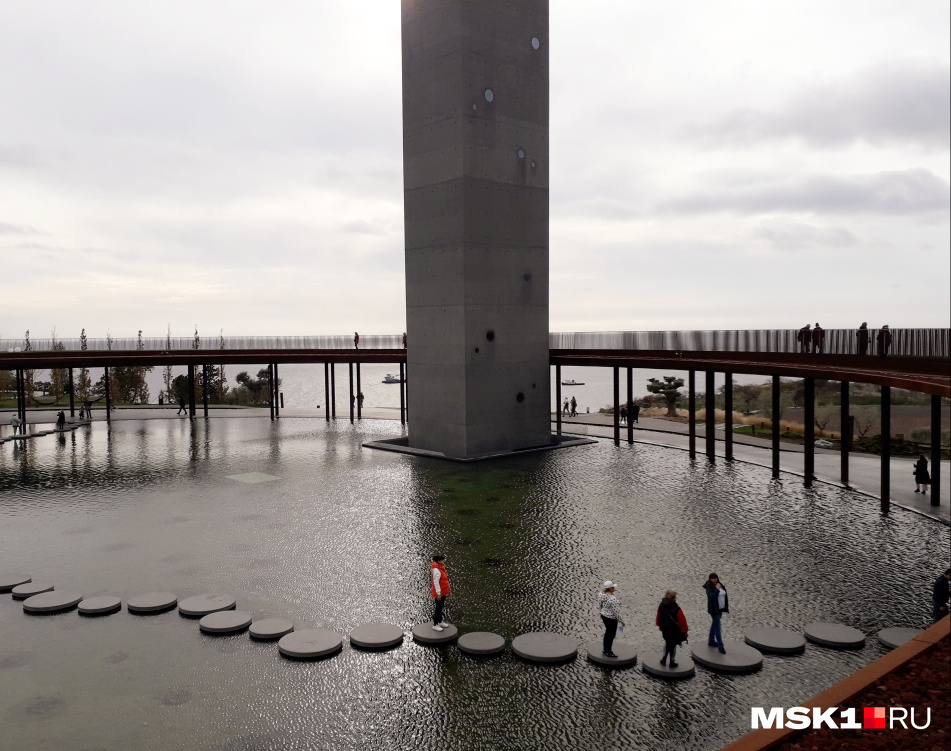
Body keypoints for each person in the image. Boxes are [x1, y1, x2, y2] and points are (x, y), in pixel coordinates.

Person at [656, 590, 688, 667]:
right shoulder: (676, 608)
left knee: (667, 642)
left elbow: (658, 617)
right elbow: (682, 621)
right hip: (674, 630)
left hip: (665, 629)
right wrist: (684, 631)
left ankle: (663, 659)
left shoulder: (661, 605)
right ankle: (671, 661)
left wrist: (659, 625)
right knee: (673, 645)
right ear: (673, 598)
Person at [598, 580, 625, 658]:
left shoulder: (601, 595)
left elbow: (599, 604)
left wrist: (600, 612)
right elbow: (616, 612)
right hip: (611, 619)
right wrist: (622, 622)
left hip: (604, 616)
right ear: (610, 589)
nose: (614, 589)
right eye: (613, 587)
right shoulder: (612, 599)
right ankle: (608, 651)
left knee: (607, 633)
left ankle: (605, 649)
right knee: (611, 635)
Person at [703, 573, 729, 653]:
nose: (714, 580)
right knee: (718, 627)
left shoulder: (720, 585)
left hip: (720, 609)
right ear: (710, 579)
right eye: (712, 578)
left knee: (714, 624)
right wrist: (717, 589)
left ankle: (711, 640)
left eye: (715, 578)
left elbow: (724, 595)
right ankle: (720, 646)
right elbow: (711, 596)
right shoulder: (709, 587)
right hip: (714, 610)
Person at [430, 554, 450, 631]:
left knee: (441, 607)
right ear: (439, 561)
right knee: (438, 608)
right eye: (442, 560)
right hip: (440, 592)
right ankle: (435, 624)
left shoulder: (440, 568)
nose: (444, 561)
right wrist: (438, 593)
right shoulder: (437, 570)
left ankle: (440, 621)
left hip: (443, 591)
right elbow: (436, 582)